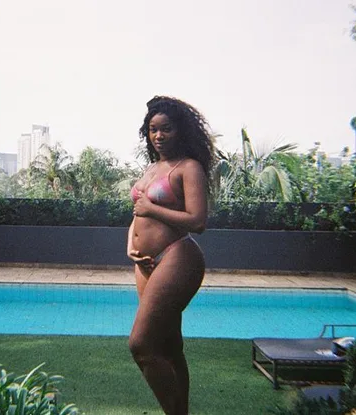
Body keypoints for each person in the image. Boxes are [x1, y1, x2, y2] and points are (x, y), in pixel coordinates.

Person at [127, 95, 216, 415]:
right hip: (145, 264)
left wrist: (151, 208)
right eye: (153, 129)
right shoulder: (152, 168)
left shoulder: (189, 168)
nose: (159, 135)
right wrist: (130, 246)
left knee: (141, 344)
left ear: (180, 130)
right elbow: (137, 213)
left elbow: (198, 221)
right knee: (169, 345)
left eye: (166, 128)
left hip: (177, 256)